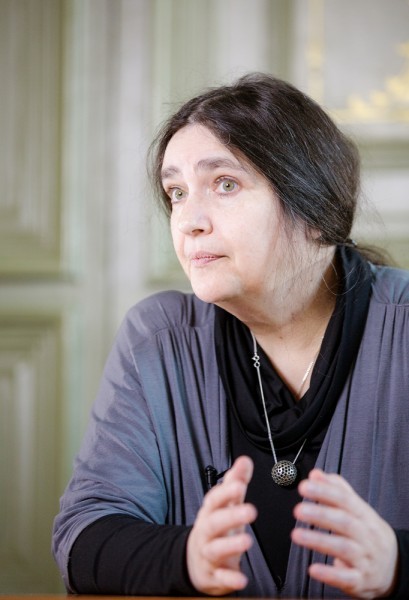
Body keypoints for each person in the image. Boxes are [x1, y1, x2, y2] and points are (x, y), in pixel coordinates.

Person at [52, 73, 409, 599]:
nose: (188, 221)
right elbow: (81, 537)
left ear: (316, 207)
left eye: (224, 184)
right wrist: (184, 557)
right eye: (176, 193)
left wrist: (398, 563)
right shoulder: (159, 340)